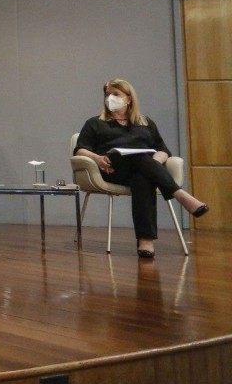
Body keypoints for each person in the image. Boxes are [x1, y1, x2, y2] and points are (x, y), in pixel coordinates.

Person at [73, 78, 209, 258]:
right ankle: (179, 194)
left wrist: (152, 163)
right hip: (111, 170)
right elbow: (80, 149)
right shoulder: (95, 123)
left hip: (141, 170)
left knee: (142, 175)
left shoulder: (145, 123)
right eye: (107, 95)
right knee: (137, 158)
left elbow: (163, 150)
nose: (110, 98)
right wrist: (97, 158)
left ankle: (146, 241)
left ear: (129, 98)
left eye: (116, 94)